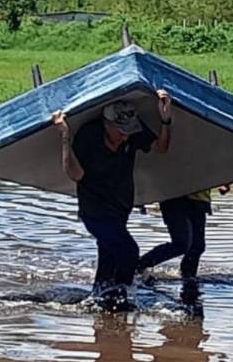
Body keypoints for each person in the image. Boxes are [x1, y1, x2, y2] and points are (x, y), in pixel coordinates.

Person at [52, 90, 172, 297]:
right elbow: (76, 174)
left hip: (120, 207)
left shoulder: (132, 133)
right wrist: (65, 136)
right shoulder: (89, 135)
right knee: (129, 251)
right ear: (106, 124)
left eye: (129, 131)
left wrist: (165, 119)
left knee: (108, 256)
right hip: (94, 209)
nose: (126, 136)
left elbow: (161, 148)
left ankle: (101, 301)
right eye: (121, 131)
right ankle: (122, 298)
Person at [138, 185, 230, 281]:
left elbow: (211, 170)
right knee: (181, 244)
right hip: (174, 197)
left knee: (197, 247)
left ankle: (188, 277)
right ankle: (139, 265)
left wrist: (223, 181)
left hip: (199, 199)